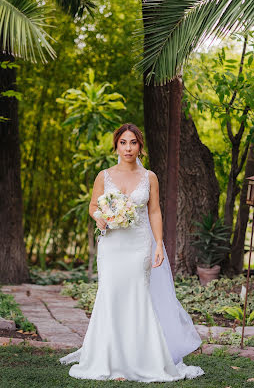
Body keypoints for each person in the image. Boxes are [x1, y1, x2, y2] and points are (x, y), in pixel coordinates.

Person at [60, 123, 204, 382]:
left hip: (139, 245)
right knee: (111, 295)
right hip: (112, 245)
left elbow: (154, 211)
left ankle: (142, 358)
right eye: (123, 142)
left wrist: (159, 243)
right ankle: (108, 358)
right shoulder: (104, 175)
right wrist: (99, 218)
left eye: (133, 142)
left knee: (138, 295)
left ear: (140, 147)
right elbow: (94, 205)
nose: (128, 147)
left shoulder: (149, 177)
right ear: (116, 145)